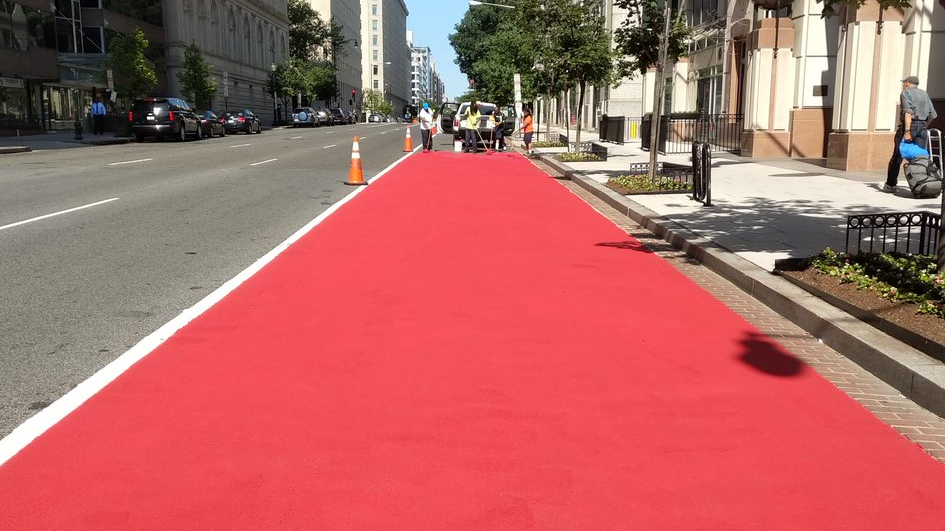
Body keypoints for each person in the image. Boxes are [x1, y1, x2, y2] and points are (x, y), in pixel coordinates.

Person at [882, 75, 937, 193]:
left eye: (904, 83)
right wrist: (924, 125)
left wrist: (907, 131)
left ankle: (891, 185)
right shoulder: (925, 94)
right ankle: (920, 185)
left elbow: (908, 113)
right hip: (922, 127)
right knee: (919, 158)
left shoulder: (905, 93)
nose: (904, 85)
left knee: (897, 156)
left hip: (909, 127)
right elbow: (933, 114)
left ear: (907, 83)